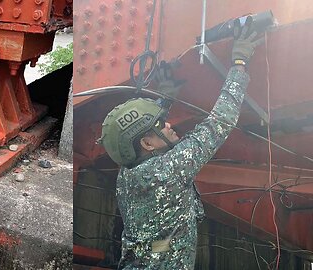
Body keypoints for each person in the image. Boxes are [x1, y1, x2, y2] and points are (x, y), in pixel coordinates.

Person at [98, 17, 264, 269]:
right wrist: (239, 63)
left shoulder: (129, 170)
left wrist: (164, 100)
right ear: (147, 143)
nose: (169, 125)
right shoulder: (166, 172)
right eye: (161, 124)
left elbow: (143, 137)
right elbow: (219, 122)